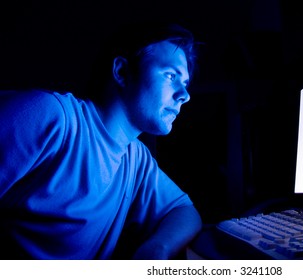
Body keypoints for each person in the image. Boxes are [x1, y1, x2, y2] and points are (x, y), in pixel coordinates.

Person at [0, 22, 202, 259]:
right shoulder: (49, 116)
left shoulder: (136, 159)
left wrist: (156, 250)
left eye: (185, 83)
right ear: (121, 72)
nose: (185, 95)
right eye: (170, 75)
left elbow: (184, 210)